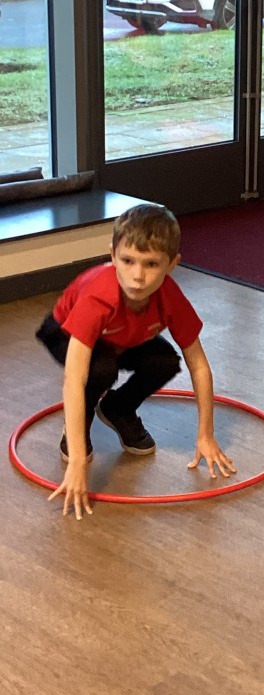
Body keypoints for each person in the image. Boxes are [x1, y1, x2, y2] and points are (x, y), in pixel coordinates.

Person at [36, 203, 236, 520]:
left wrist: (205, 435)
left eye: (151, 264)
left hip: (123, 335)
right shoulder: (98, 297)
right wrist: (77, 460)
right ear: (112, 255)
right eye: (127, 261)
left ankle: (118, 408)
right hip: (64, 332)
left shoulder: (170, 297)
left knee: (165, 361)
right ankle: (78, 429)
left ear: (172, 264)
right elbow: (74, 379)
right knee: (99, 370)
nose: (138, 276)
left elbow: (198, 365)